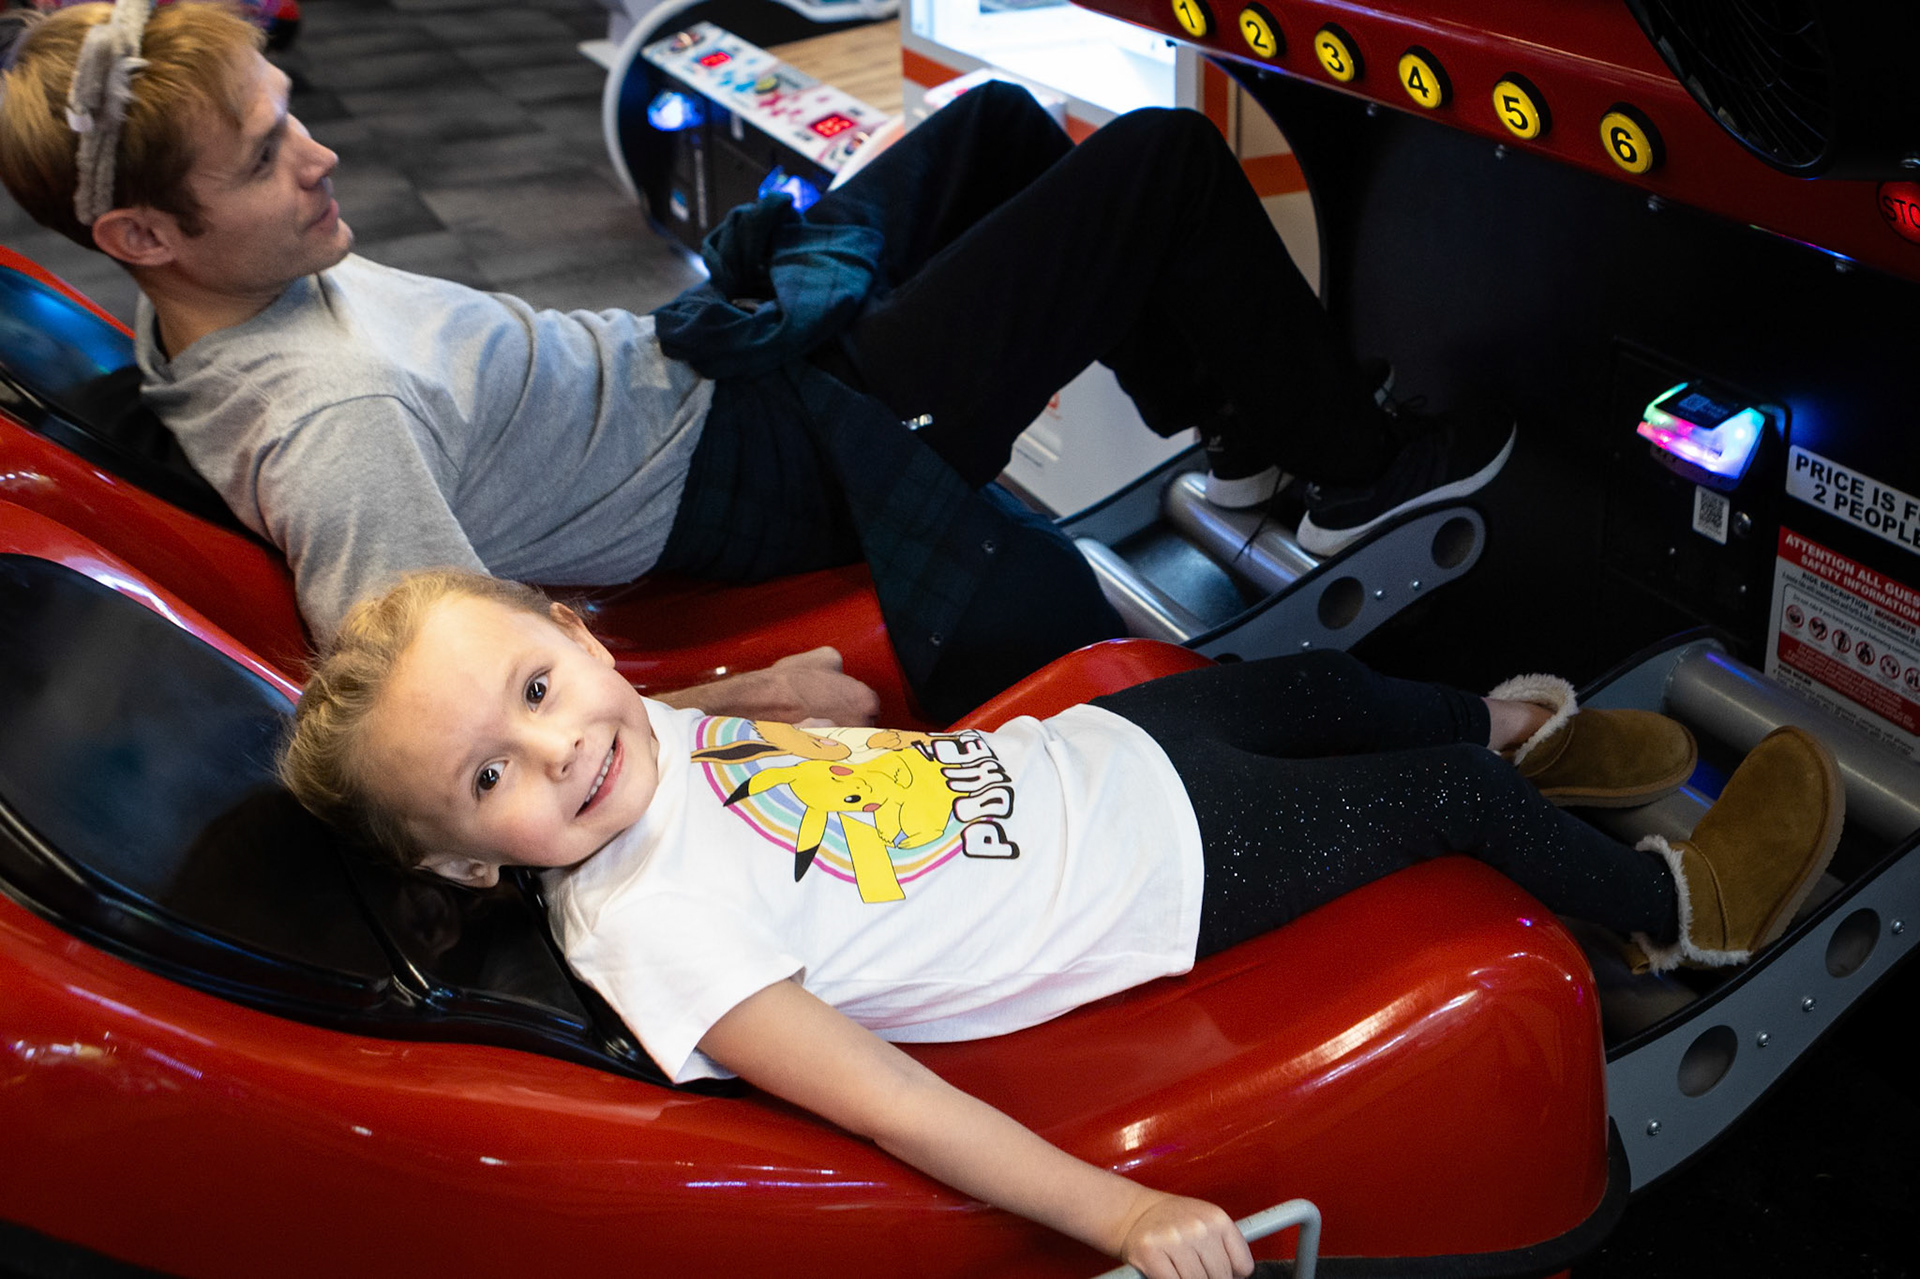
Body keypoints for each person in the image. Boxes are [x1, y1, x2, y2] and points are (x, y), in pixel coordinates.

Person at [278, 568, 1844, 1279]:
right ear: (477, 864)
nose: (558, 748)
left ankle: (1534, 749)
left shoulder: (627, 739)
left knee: (1323, 687)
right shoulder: (653, 925)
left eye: (539, 689)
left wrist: (724, 694)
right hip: (1155, 879)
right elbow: (888, 1103)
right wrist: (1119, 1217)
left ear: (574, 636)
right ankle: (1675, 907)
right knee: (1430, 792)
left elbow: (673, 737)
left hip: (1090, 769)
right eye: (493, 774)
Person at [0, 0, 1515, 721]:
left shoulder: (216, 300)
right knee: (1168, 162)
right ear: (140, 233)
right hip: (764, 464)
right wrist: (745, 692)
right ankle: (1349, 477)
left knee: (993, 129)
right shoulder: (329, 428)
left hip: (695, 375)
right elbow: (438, 704)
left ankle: (1238, 426)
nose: (323, 157)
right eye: (270, 156)